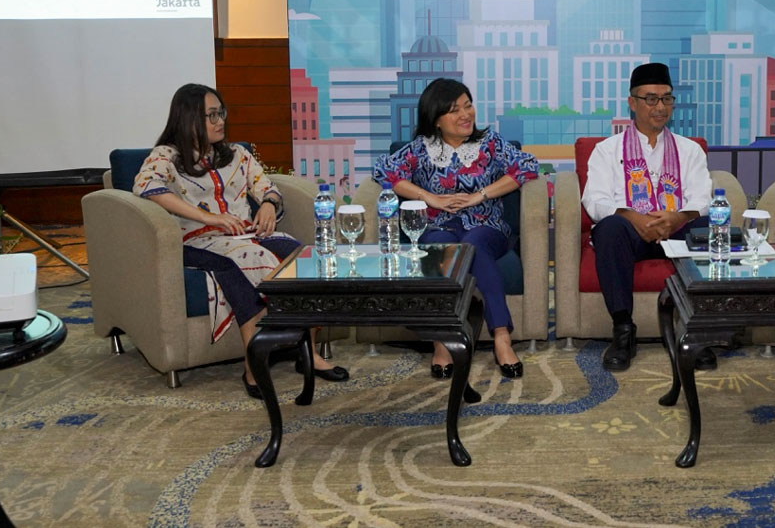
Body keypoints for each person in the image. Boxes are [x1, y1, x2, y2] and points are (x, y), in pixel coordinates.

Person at [135, 83, 348, 399]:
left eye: (221, 113)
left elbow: (269, 188)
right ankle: (253, 366)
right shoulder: (167, 156)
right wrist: (208, 217)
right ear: (188, 118)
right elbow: (146, 188)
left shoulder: (237, 155)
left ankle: (309, 354)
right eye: (211, 115)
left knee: (308, 259)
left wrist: (266, 205)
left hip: (248, 233)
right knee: (243, 262)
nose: (220, 121)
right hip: (199, 240)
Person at [374, 78, 539, 378]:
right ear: (436, 120)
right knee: (439, 247)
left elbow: (526, 167)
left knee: (473, 246)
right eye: (454, 110)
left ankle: (501, 335)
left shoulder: (490, 143)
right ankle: (441, 341)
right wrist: (431, 198)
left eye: (468, 105)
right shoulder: (420, 150)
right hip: (439, 224)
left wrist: (481, 194)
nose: (466, 115)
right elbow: (385, 172)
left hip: (486, 224)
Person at [582, 62, 715, 372]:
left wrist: (677, 217)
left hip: (677, 232)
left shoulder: (690, 150)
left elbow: (702, 199)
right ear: (633, 103)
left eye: (667, 98)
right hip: (631, 235)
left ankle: (698, 332)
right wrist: (631, 216)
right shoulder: (606, 150)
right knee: (610, 227)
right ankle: (623, 331)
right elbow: (594, 201)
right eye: (651, 99)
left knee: (707, 227)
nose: (660, 107)